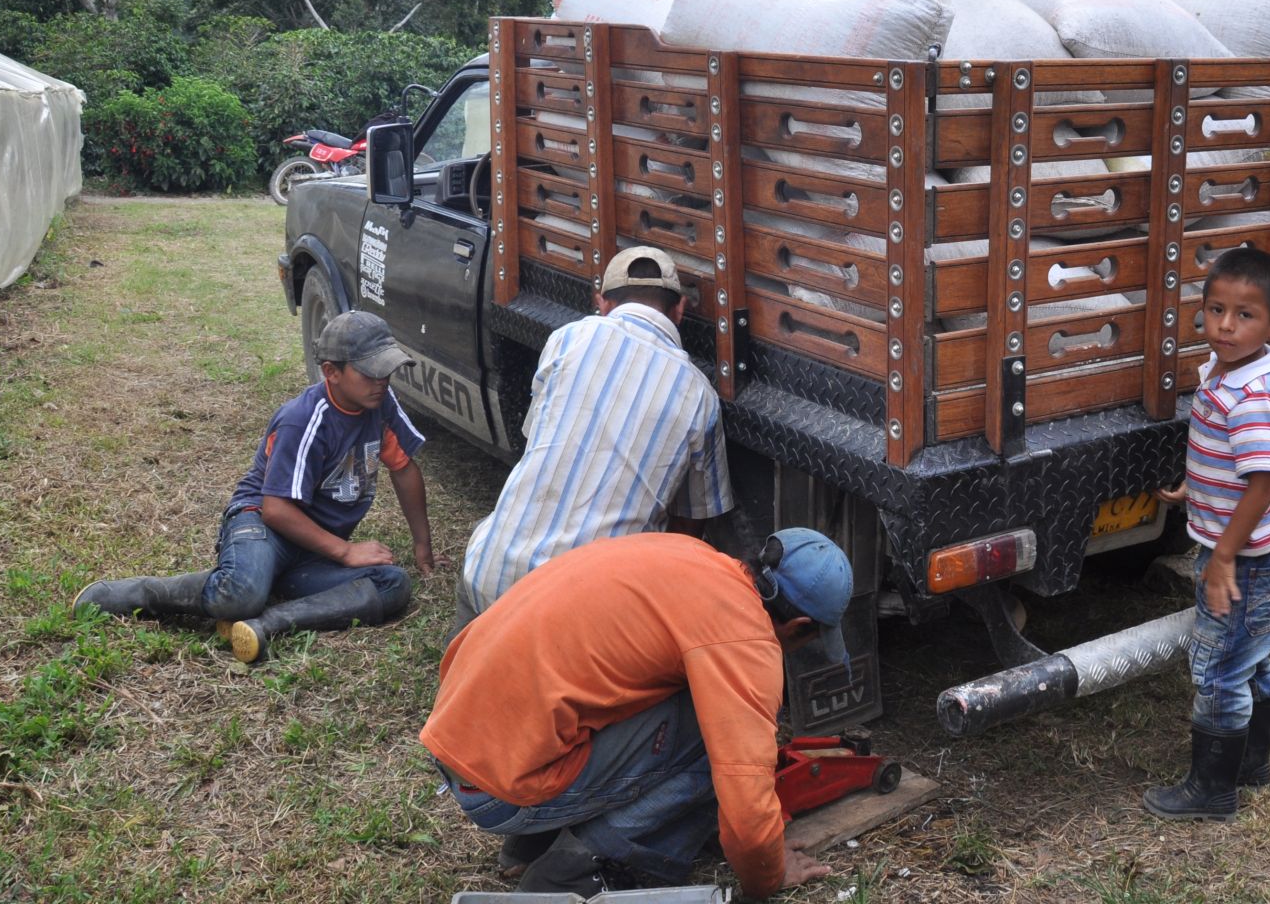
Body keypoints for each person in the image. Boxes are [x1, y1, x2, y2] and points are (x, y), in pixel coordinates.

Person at [420, 529, 843, 897]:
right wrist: (768, 873)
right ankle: (571, 870)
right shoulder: (744, 636)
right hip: (499, 792)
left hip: (460, 741)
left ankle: (530, 845)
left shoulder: (690, 555)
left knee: (679, 699)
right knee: (718, 740)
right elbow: (746, 805)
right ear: (799, 626)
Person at [76, 310, 435, 664]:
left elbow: (403, 468)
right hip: (261, 525)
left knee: (393, 584)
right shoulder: (302, 420)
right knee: (240, 593)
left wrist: (422, 545)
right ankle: (141, 593)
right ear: (331, 372)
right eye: (370, 372)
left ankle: (266, 623)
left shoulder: (381, 404)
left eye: (387, 369)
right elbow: (275, 510)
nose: (382, 381)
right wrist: (344, 552)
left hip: (313, 550)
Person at [453, 245, 731, 629]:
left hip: (490, 580)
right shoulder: (700, 396)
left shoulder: (567, 339)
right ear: (680, 309)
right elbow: (690, 532)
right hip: (582, 625)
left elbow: (536, 439)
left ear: (601, 303)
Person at [1144, 245, 1270, 820]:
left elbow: (1261, 482)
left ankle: (1212, 790)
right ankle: (1251, 764)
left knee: (1219, 669)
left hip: (1242, 560)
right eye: (1216, 310)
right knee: (1251, 657)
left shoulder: (1249, 397)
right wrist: (1196, 487)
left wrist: (1224, 558)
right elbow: (1235, 464)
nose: (1226, 325)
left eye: (1245, 315)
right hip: (1249, 552)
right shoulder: (1226, 373)